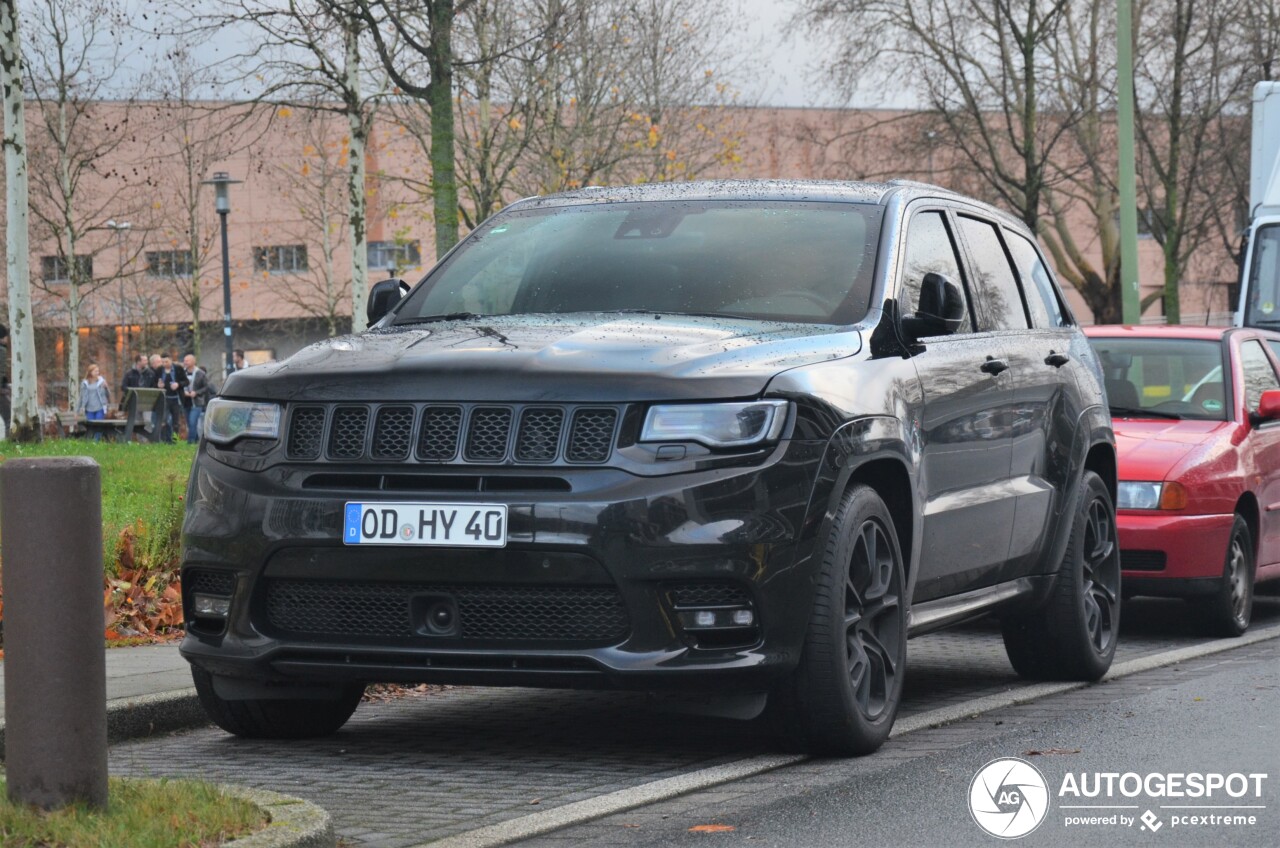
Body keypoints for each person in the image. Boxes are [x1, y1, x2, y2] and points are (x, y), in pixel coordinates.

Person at [154, 354, 188, 443]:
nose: (164, 364)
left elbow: (186, 381)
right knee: (164, 420)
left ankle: (174, 440)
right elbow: (153, 383)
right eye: (163, 362)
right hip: (164, 398)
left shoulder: (178, 369)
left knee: (176, 422)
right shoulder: (159, 370)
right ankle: (165, 440)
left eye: (166, 362)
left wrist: (178, 384)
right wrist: (158, 386)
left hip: (176, 398)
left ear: (171, 360)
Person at [182, 354, 215, 443]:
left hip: (197, 402)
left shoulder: (200, 373)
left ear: (193, 361)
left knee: (193, 422)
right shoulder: (182, 372)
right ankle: (196, 440)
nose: (185, 362)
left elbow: (206, 387)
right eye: (184, 360)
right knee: (189, 423)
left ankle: (190, 442)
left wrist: (196, 393)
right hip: (186, 401)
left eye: (187, 360)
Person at [77, 363, 111, 442]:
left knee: (99, 425)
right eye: (95, 371)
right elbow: (81, 397)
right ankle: (90, 441)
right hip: (89, 408)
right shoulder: (85, 383)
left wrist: (106, 387)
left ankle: (96, 441)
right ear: (90, 372)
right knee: (91, 426)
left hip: (100, 407)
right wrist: (77, 410)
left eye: (98, 371)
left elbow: (108, 395)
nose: (97, 373)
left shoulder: (101, 381)